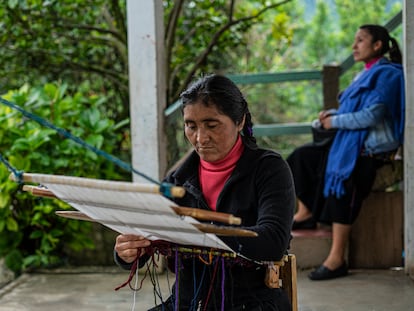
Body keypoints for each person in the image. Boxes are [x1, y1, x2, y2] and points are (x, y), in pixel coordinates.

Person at [114, 74, 295, 310]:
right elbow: (146, 239)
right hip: (188, 304)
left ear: (239, 121)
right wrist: (128, 252)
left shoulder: (269, 169)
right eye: (191, 126)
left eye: (212, 125)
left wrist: (197, 232)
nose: (200, 138)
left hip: (251, 303)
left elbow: (273, 241)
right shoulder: (179, 179)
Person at [287, 24, 405, 281]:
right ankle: (306, 213)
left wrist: (336, 122)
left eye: (360, 40)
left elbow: (372, 116)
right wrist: (332, 116)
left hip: (371, 151)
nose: (354, 46)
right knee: (301, 157)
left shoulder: (387, 75)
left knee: (346, 180)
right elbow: (355, 113)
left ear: (377, 46)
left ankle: (337, 258)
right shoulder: (364, 74)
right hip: (351, 142)